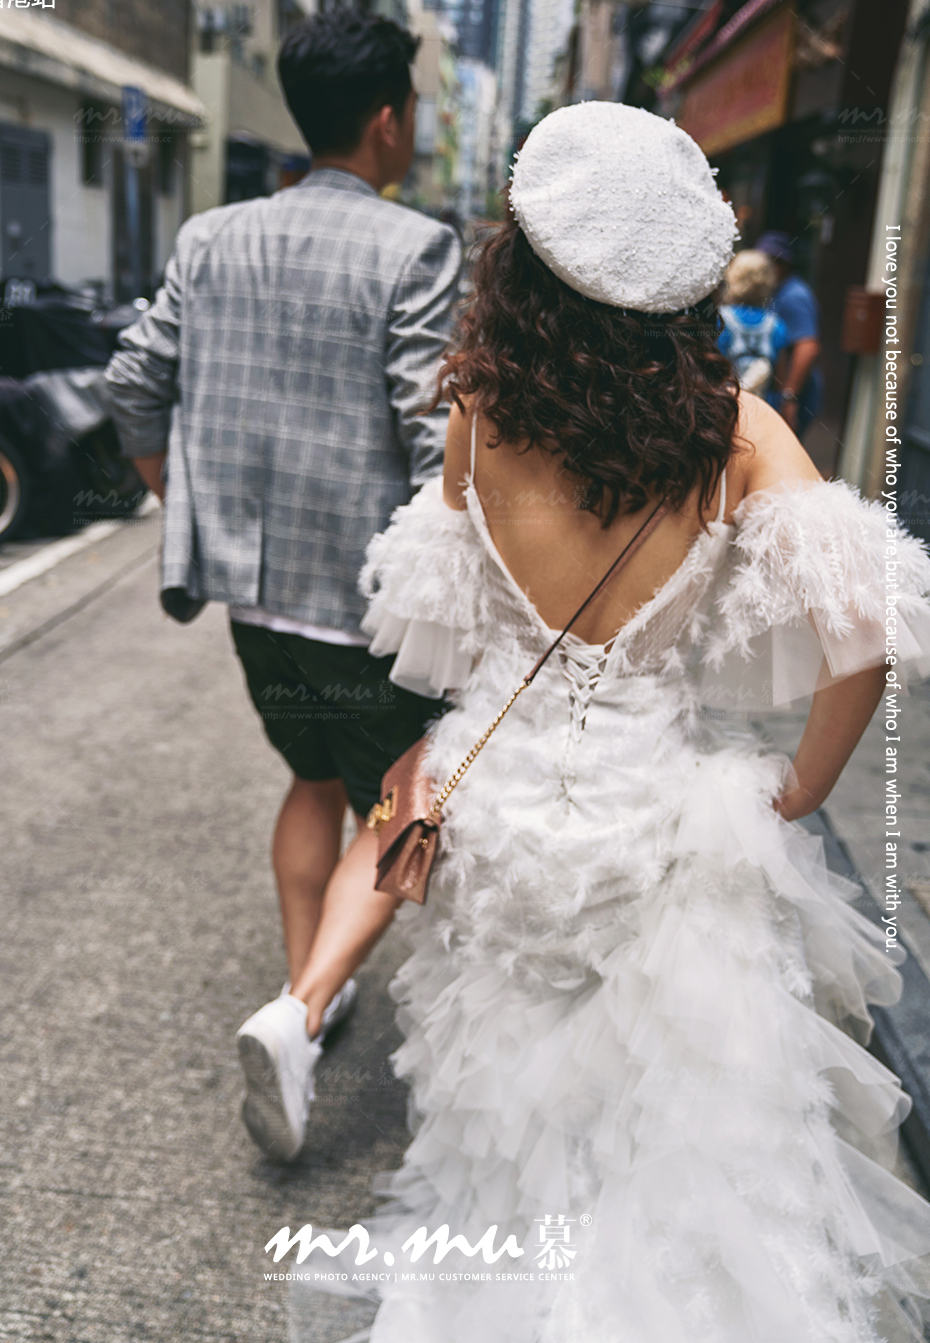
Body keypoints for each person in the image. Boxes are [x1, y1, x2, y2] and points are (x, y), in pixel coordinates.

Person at [281, 102, 930, 1339]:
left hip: (508, 818)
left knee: (509, 1113)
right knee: (668, 1132)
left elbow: (452, 627)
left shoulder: (477, 415)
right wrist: (798, 784)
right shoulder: (735, 434)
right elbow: (867, 619)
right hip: (662, 827)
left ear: (522, 269)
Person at [103, 8, 462, 1160]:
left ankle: (306, 991)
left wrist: (180, 502)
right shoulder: (416, 248)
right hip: (367, 608)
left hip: (251, 600)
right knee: (405, 809)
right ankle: (303, 1014)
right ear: (387, 120)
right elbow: (431, 443)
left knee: (312, 775)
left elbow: (130, 383)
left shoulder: (211, 236)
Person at [755, 229, 823, 437]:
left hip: (794, 394)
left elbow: (808, 347)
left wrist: (788, 397)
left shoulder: (794, 296)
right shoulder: (776, 291)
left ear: (782, 265)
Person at [716, 248, 790, 397]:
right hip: (762, 404)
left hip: (725, 401)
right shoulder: (776, 325)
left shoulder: (720, 320)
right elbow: (779, 381)